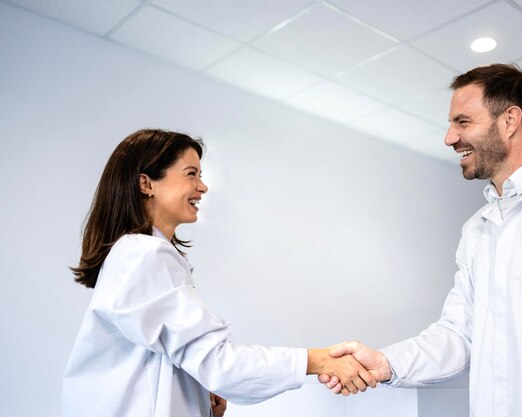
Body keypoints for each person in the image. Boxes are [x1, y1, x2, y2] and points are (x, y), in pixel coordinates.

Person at [319, 63, 522, 416]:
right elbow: (459, 334)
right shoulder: (477, 229)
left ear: (510, 121)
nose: (449, 138)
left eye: (462, 122)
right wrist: (386, 362)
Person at [63, 129, 376, 417]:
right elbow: (220, 364)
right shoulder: (143, 254)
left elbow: (164, 360)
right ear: (146, 184)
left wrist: (196, 392)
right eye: (191, 174)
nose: (203, 186)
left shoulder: (133, 254)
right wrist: (319, 360)